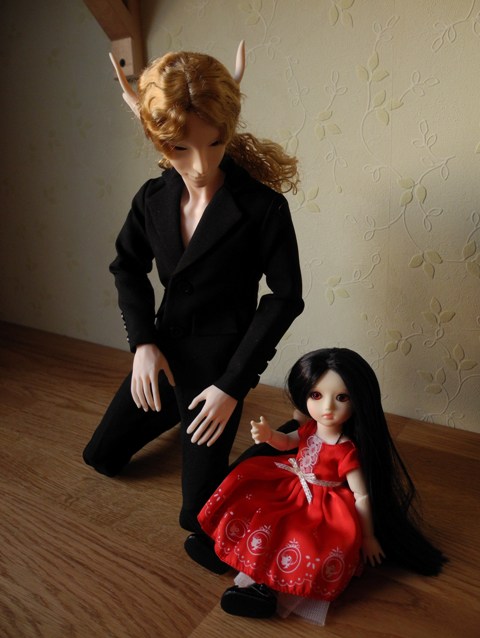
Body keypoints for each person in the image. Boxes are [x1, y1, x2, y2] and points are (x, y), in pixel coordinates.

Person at [82, 43, 304, 559]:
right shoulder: (153, 199)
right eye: (181, 148)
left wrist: (232, 385)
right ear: (158, 140)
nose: (201, 165)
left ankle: (282, 444)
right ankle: (174, 415)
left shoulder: (263, 208)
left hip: (217, 371)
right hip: (162, 357)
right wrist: (143, 343)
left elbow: (285, 297)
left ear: (229, 130)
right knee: (101, 457)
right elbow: (127, 267)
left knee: (198, 515)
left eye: (215, 143)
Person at [196, 348, 447, 621]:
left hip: (323, 504)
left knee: (294, 536)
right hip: (291, 483)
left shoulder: (345, 449)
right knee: (253, 497)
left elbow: (361, 495)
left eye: (342, 398)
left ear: (358, 401)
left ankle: (264, 590)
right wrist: (269, 435)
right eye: (316, 395)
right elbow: (289, 442)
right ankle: (219, 547)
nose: (328, 408)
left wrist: (368, 537)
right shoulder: (310, 429)